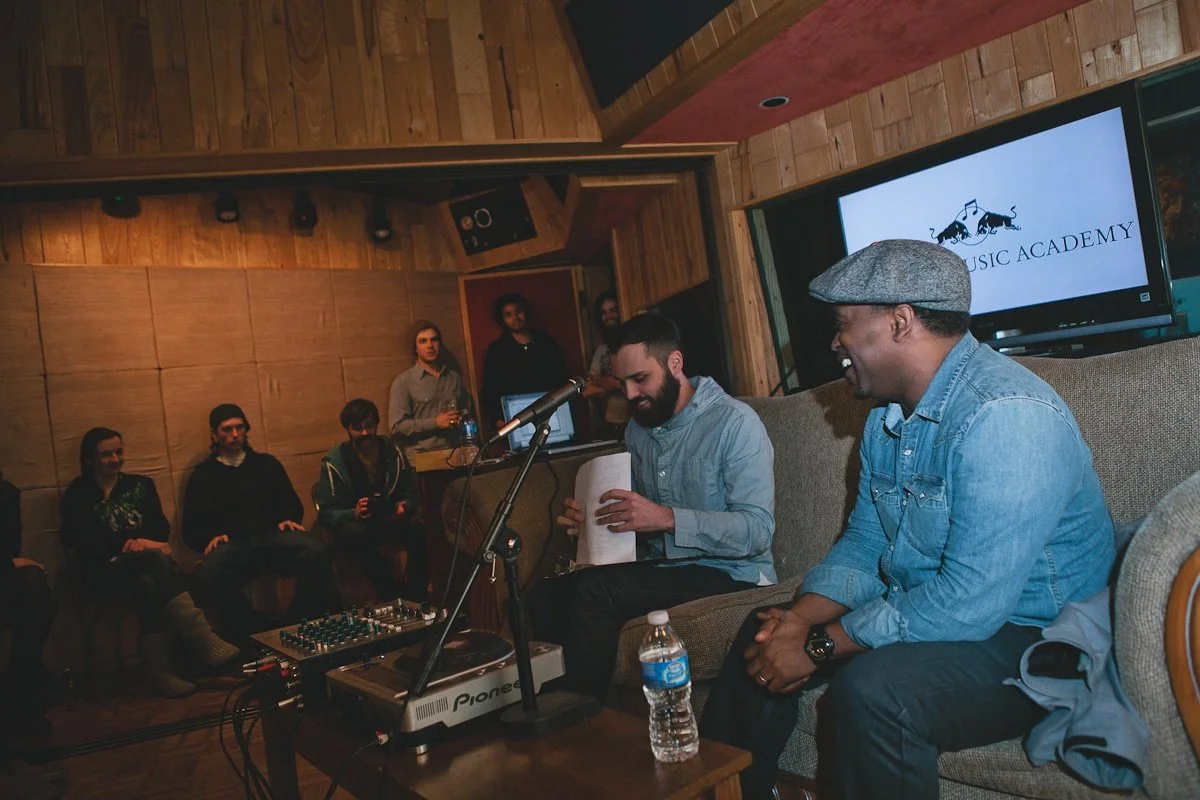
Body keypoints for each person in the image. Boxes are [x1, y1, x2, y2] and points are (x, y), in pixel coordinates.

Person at [699, 239, 1116, 799]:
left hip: (1041, 639)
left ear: (900, 322)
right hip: (954, 616)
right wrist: (796, 622)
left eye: (843, 325)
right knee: (764, 629)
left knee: (877, 692)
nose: (836, 342)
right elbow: (867, 541)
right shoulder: (887, 420)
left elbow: (969, 603)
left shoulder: (1007, 416)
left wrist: (818, 647)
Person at [525, 312, 776, 702]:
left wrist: (666, 518)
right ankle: (561, 709)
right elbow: (639, 521)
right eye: (622, 382)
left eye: (640, 379)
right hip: (664, 568)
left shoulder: (734, 423)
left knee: (596, 592)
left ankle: (581, 719)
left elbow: (757, 531)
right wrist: (595, 523)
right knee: (540, 595)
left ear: (674, 363)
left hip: (732, 572)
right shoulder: (637, 429)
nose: (629, 394)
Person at [60, 428, 240, 697]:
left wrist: (146, 543)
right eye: (106, 454)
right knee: (154, 558)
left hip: (140, 568)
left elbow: (159, 528)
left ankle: (160, 674)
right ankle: (201, 636)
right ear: (89, 459)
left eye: (119, 452)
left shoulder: (140, 485)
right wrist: (138, 543)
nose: (115, 459)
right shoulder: (79, 492)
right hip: (99, 571)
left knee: (148, 582)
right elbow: (79, 539)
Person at [183, 404, 330, 644]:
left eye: (239, 428)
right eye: (227, 429)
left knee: (317, 550)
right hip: (234, 544)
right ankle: (254, 631)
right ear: (214, 434)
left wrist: (288, 518)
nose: (234, 434)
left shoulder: (266, 464)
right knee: (209, 573)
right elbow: (190, 527)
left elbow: (292, 504)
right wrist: (209, 537)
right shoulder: (203, 474)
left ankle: (299, 622)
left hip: (272, 536)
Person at [317, 399, 427, 601]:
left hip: (391, 518)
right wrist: (354, 512)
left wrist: (404, 507)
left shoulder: (393, 452)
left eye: (369, 425)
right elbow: (326, 512)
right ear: (348, 429)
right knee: (355, 534)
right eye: (357, 427)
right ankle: (390, 594)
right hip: (358, 524)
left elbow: (411, 494)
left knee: (422, 530)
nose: (365, 433)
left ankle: (416, 596)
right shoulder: (336, 461)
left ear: (376, 425)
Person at [0, 470, 57, 737]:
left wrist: (8, 563)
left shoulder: (5, 493)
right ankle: (22, 693)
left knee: (33, 583)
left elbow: (10, 547)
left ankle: (20, 687)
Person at [480, 292, 568, 430]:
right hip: (516, 417)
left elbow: (561, 379)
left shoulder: (546, 342)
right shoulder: (497, 350)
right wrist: (497, 420)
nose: (515, 317)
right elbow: (490, 389)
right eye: (508, 315)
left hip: (550, 411)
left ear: (525, 312)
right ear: (502, 320)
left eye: (518, 312)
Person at [389, 320, 472, 454]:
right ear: (415, 348)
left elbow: (466, 413)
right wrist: (435, 423)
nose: (430, 346)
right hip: (422, 455)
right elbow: (397, 427)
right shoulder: (404, 382)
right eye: (423, 341)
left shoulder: (453, 377)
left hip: (455, 452)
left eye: (434, 340)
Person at [582, 291, 630, 440]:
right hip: (612, 425)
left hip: (638, 421)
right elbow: (587, 390)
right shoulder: (602, 350)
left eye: (613, 310)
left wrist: (606, 382)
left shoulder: (634, 344)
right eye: (603, 312)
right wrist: (618, 384)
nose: (608, 316)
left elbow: (640, 384)